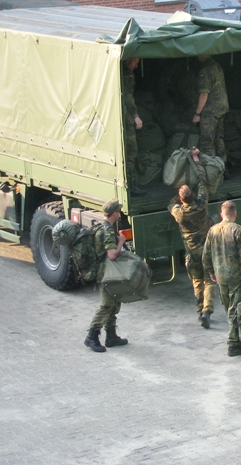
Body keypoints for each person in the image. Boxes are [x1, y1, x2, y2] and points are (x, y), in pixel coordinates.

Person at [169, 148, 216, 328]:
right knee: (210, 279)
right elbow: (203, 182)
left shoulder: (180, 213)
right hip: (208, 250)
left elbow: (170, 204)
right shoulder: (202, 204)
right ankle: (207, 310)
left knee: (197, 280)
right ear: (194, 196)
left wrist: (177, 193)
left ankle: (199, 309)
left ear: (182, 200)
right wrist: (196, 160)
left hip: (193, 253)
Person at [203, 200, 241, 356]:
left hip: (220, 277)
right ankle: (233, 343)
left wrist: (211, 272)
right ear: (235, 214)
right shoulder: (238, 230)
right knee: (235, 310)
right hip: (236, 276)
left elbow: (206, 255)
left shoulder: (212, 231)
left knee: (229, 308)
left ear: (221, 214)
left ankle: (235, 338)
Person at [84, 199, 129, 352]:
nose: (119, 214)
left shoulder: (101, 226)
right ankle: (92, 336)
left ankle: (111, 336)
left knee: (114, 303)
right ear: (115, 213)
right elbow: (112, 254)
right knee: (107, 305)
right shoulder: (108, 230)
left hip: (104, 271)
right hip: (106, 272)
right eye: (119, 211)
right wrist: (121, 241)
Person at [193, 55, 229, 164]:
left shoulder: (205, 70)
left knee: (207, 142)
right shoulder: (217, 66)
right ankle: (223, 168)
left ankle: (210, 171)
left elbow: (204, 94)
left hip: (210, 111)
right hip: (221, 109)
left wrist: (197, 113)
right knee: (219, 139)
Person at [122, 57, 146, 196]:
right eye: (135, 62)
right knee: (131, 152)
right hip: (127, 119)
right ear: (128, 61)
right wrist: (135, 117)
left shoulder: (124, 74)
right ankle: (131, 187)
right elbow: (128, 98)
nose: (136, 66)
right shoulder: (127, 76)